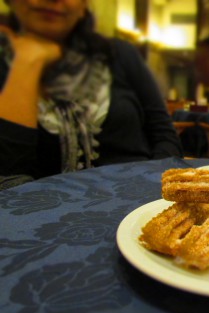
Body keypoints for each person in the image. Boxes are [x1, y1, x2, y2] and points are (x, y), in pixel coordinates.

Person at [0, 0, 182, 181]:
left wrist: (155, 186)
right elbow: (8, 177)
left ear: (83, 7)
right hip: (44, 205)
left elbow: (164, 134)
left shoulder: (119, 54)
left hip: (139, 197)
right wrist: (27, 61)